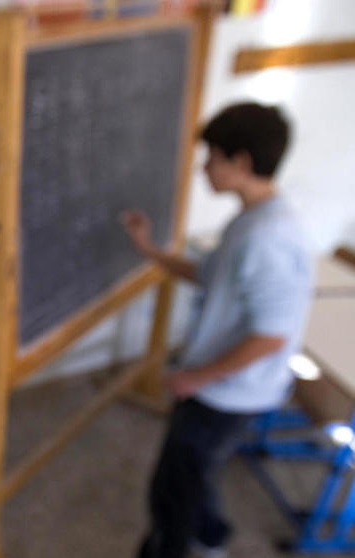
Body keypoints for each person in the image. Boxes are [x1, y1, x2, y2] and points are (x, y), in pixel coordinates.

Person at [120, 102, 313, 558]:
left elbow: (271, 335)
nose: (204, 168)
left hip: (227, 394)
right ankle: (210, 541)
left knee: (172, 492)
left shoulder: (266, 237)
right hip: (224, 387)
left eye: (212, 157)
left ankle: (178, 547)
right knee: (195, 474)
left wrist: (195, 378)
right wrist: (150, 250)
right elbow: (211, 275)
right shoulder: (253, 221)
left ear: (241, 162)